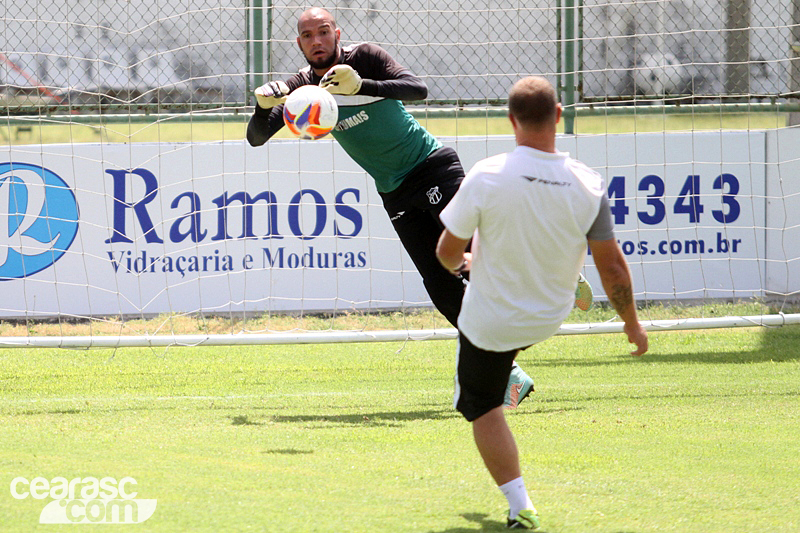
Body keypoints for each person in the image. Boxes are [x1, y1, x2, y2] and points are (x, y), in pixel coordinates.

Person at [246, 7, 539, 407]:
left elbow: (417, 89)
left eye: (324, 31)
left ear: (337, 33)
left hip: (432, 167)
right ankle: (507, 371)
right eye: (308, 35)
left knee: (476, 253)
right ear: (299, 44)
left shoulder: (364, 57)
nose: (317, 40)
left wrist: (361, 85)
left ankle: (548, 273)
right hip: (394, 192)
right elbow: (257, 138)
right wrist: (263, 108)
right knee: (440, 283)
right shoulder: (304, 91)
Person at [436, 76, 648, 530]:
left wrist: (465, 263)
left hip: (492, 320)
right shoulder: (588, 184)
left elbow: (445, 253)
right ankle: (565, 282)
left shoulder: (487, 174)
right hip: (550, 315)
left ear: (510, 121)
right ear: (557, 117)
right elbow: (614, 269)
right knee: (516, 321)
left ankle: (521, 507)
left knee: (478, 406)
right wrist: (632, 324)